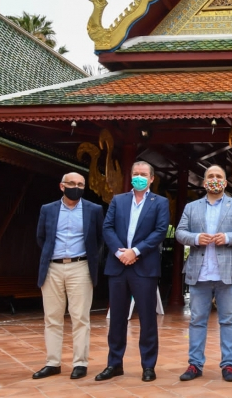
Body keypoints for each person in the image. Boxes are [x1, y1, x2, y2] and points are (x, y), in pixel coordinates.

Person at [174, 165, 232, 382]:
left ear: (225, 183)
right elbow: (180, 232)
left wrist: (228, 238)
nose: (215, 179)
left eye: (219, 176)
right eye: (211, 176)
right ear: (204, 182)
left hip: (228, 274)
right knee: (197, 321)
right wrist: (195, 238)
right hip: (199, 273)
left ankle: (228, 365)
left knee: (228, 321)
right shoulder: (191, 207)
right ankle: (194, 364)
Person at [96, 161, 170, 382]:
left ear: (152, 179)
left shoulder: (160, 202)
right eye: (135, 173)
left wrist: (136, 251)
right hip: (118, 266)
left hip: (144, 267)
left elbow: (160, 231)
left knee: (147, 318)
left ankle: (148, 366)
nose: (139, 177)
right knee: (117, 318)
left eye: (143, 174)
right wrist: (121, 253)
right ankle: (114, 364)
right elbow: (107, 228)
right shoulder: (118, 200)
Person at [33, 172, 103, 380]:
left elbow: (99, 239)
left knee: (80, 318)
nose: (77, 187)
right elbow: (41, 237)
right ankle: (52, 363)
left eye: (81, 184)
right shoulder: (48, 209)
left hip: (80, 267)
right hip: (52, 268)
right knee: (52, 318)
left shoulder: (94, 210)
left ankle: (80, 363)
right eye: (72, 183)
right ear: (62, 186)